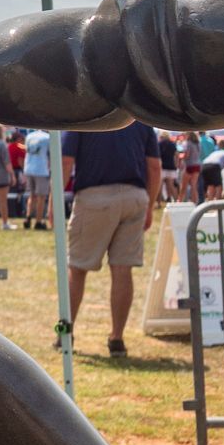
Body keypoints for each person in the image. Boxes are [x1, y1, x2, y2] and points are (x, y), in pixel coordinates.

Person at [60, 123, 160, 357]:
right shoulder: (141, 119)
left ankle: (64, 333)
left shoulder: (84, 116)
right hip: (135, 197)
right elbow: (154, 167)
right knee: (123, 270)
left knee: (77, 268)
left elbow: (65, 161)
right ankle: (117, 338)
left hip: (95, 196)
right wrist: (150, 206)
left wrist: (53, 200)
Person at [22, 128, 51, 229]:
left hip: (29, 168)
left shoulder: (29, 136)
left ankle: (28, 217)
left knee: (32, 196)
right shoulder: (47, 138)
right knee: (41, 197)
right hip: (41, 169)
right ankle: (38, 221)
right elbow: (51, 155)